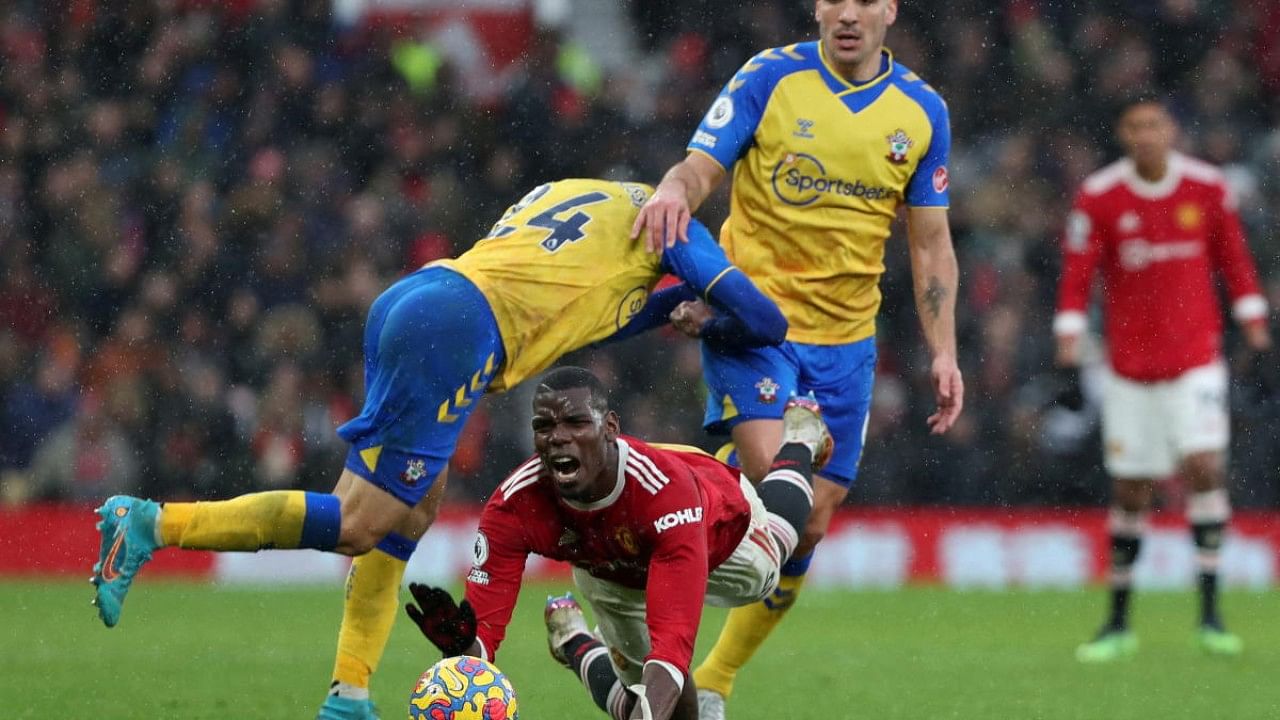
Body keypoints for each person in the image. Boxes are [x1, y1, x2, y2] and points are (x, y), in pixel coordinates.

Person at [88, 178, 790, 720]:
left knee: (410, 517)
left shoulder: (580, 196)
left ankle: (350, 692)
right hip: (463, 331)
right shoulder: (676, 227)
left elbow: (573, 321)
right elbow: (767, 319)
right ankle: (153, 523)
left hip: (428, 293)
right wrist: (709, 311)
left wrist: (667, 308)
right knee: (360, 520)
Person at [629, 1, 963, 715]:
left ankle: (713, 681)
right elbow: (698, 168)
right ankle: (655, 530)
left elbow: (930, 243)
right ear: (818, 7)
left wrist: (945, 352)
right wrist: (669, 191)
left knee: (808, 523)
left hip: (847, 342)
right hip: (754, 323)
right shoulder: (769, 78)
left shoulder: (922, 110)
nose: (848, 13)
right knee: (779, 479)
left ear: (889, 11)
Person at [403, 366, 833, 720]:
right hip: (610, 575)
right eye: (544, 426)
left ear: (609, 428)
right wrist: (463, 650)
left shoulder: (664, 495)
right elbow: (482, 645)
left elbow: (672, 648)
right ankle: (573, 639)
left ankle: (798, 438)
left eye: (575, 422)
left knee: (778, 549)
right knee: (644, 707)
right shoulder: (514, 507)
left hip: (713, 528)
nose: (558, 437)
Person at [1054, 96, 1272, 662]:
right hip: (1129, 367)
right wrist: (1069, 331)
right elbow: (1080, 269)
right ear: (1123, 134)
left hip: (1195, 359)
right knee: (1132, 488)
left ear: (1171, 130)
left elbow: (1234, 258)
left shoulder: (1206, 187)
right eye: (1134, 126)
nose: (1145, 134)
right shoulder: (1101, 195)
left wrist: (1253, 320)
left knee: (1203, 465)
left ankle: (1210, 614)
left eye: (1154, 124)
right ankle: (1119, 621)